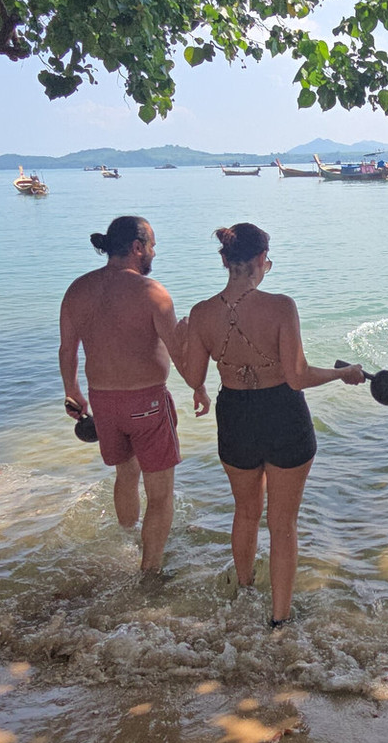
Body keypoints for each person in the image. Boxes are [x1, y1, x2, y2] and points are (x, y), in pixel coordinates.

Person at [183, 223, 364, 627]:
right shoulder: (281, 306)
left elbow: (194, 378)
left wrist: (179, 340)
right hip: (283, 413)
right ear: (262, 260)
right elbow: (297, 376)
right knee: (283, 525)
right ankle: (280, 620)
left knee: (245, 512)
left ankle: (244, 594)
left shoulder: (201, 313)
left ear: (224, 260)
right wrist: (343, 373)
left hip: (235, 415)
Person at [59, 216, 204, 573]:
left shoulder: (77, 289)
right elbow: (181, 358)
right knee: (160, 494)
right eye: (152, 245)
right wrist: (197, 381)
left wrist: (72, 392)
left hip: (103, 403)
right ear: (138, 247)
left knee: (126, 475)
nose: (155, 251)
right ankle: (149, 572)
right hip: (147, 404)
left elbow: (67, 350)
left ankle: (126, 542)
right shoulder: (152, 292)